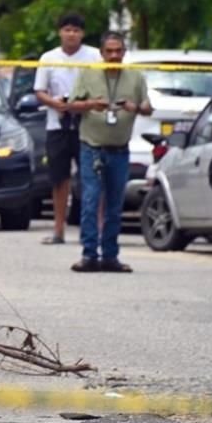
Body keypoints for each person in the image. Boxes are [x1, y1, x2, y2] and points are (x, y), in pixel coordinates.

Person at [68, 31, 152, 273]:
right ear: (102, 53)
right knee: (91, 201)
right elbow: (71, 105)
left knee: (115, 204)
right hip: (91, 147)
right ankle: (89, 254)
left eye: (118, 51)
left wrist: (134, 107)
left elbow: (147, 108)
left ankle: (111, 256)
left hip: (120, 150)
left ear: (124, 53)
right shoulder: (88, 73)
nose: (114, 56)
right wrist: (91, 104)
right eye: (109, 51)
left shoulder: (135, 77)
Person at [33, 13, 101, 245]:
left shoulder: (94, 56)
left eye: (76, 30)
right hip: (58, 124)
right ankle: (58, 229)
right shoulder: (49, 58)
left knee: (92, 177)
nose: (71, 34)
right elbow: (39, 91)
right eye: (67, 29)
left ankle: (95, 230)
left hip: (88, 123)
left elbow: (102, 86)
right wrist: (55, 103)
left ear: (82, 33)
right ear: (60, 32)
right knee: (59, 178)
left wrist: (83, 104)